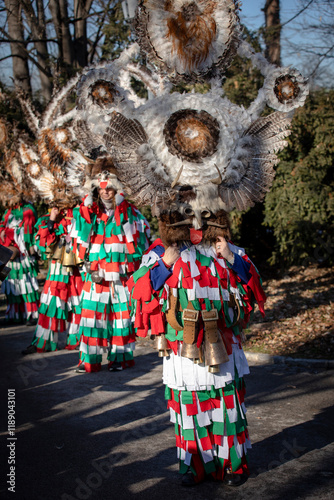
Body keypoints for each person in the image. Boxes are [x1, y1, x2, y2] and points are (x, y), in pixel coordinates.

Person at [128, 220, 266, 486]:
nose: (195, 219)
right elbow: (137, 289)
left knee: (227, 405)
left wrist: (230, 257)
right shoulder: (160, 251)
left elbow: (254, 283)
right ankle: (194, 468)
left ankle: (233, 466)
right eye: (187, 211)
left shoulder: (225, 247)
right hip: (182, 346)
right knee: (190, 408)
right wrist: (164, 264)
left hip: (223, 342)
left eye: (202, 212)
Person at [72, 158, 150, 373]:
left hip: (122, 276)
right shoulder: (90, 214)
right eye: (102, 189)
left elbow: (141, 242)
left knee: (122, 317)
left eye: (111, 189)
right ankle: (89, 359)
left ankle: (119, 357)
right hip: (95, 275)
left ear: (118, 189)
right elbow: (80, 235)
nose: (106, 193)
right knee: (91, 316)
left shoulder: (131, 214)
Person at [22, 205, 84, 353]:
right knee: (50, 305)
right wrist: (51, 221)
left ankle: (77, 340)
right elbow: (42, 246)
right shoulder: (47, 219)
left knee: (79, 305)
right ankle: (43, 342)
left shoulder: (82, 214)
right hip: (57, 271)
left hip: (78, 270)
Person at [0, 202, 40, 324]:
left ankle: (32, 314)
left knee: (27, 285)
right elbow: (2, 224)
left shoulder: (28, 210)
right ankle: (15, 315)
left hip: (24, 255)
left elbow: (32, 230)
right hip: (9, 255)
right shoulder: (8, 212)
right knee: (12, 286)